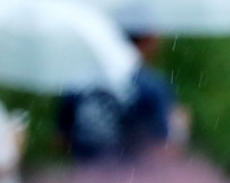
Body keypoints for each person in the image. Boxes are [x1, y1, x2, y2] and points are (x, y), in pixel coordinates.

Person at [56, 32, 190, 164]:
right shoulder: (151, 86)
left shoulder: (79, 83)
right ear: (149, 39)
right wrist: (179, 129)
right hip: (135, 179)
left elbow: (62, 140)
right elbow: (162, 146)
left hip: (86, 178)